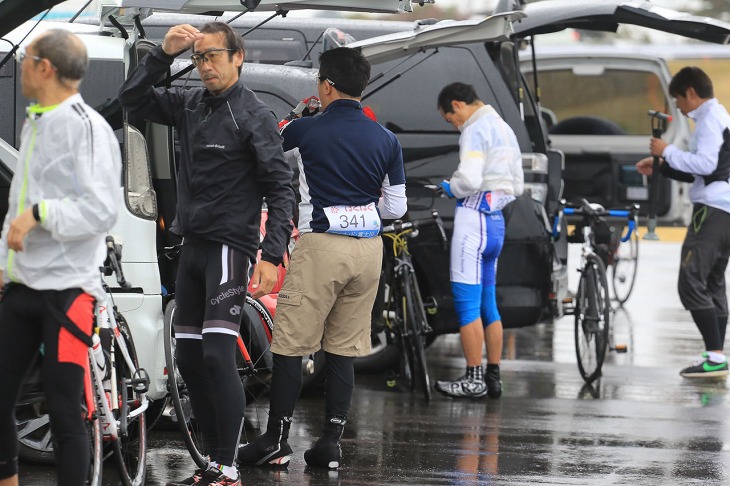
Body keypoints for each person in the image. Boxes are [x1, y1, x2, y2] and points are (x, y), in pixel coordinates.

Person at [118, 22, 295, 486]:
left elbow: (282, 189)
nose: (206, 65)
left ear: (239, 57)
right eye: (199, 59)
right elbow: (132, 99)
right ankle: (215, 461)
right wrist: (162, 54)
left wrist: (273, 255)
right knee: (190, 360)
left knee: (218, 357)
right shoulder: (191, 104)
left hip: (229, 249)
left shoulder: (252, 114)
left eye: (214, 56)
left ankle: (227, 465)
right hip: (191, 246)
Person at [237, 46, 407, 470]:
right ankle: (330, 445)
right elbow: (397, 208)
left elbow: (266, 149)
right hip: (369, 248)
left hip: (321, 245)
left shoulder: (305, 130)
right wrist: (364, 209)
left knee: (292, 347)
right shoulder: (386, 138)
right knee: (343, 349)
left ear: (326, 86)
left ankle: (276, 440)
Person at [0, 30, 121, 486]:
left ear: (45, 67)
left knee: (65, 408)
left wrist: (39, 214)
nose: (22, 66)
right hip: (23, 285)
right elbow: (17, 207)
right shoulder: (36, 121)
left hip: (69, 292)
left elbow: (100, 210)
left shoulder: (85, 126)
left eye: (27, 58)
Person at [636, 66, 730, 379]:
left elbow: (706, 164)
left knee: (690, 280)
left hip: (712, 210)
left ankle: (715, 357)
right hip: (724, 209)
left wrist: (668, 150)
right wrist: (662, 165)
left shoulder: (709, 121)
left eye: (677, 98)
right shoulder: (717, 117)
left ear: (690, 92)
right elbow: (701, 170)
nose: (676, 105)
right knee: (712, 282)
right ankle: (715, 355)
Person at [432, 82, 524, 399]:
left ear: (457, 105)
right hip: (497, 222)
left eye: (449, 119)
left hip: (473, 220)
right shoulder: (504, 128)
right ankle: (492, 376)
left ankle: (473, 379)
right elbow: (519, 184)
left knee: (466, 305)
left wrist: (450, 187)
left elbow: (469, 179)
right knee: (489, 303)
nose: (455, 126)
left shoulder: (474, 128)